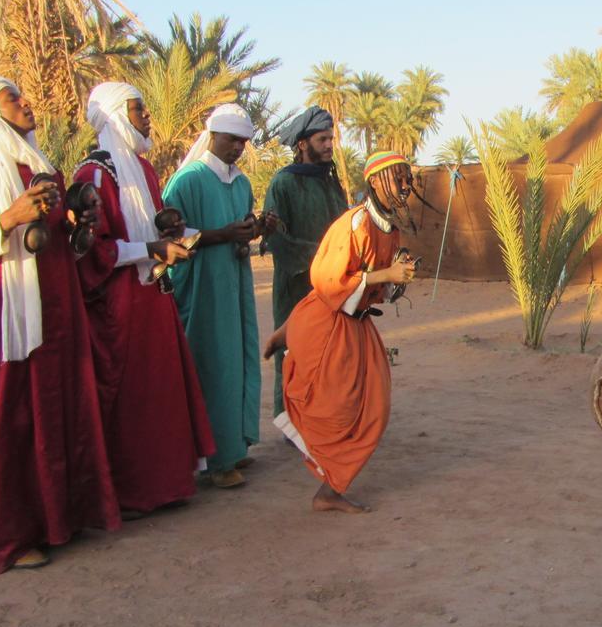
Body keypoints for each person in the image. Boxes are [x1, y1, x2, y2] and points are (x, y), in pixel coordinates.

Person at [0, 77, 120, 573]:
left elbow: (64, 248)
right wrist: (7, 220)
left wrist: (79, 227)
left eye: (23, 93)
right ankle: (8, 535)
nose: (27, 101)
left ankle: (58, 519)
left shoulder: (45, 172)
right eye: (14, 97)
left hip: (57, 319)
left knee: (58, 415)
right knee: (11, 422)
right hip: (7, 326)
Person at [74, 82, 215, 517]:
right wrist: (150, 250)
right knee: (129, 394)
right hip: (119, 304)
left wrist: (167, 228)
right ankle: (130, 492)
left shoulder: (143, 169)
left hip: (153, 295)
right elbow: (91, 250)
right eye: (138, 108)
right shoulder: (94, 175)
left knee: (160, 390)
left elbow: (148, 225)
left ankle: (165, 484)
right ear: (117, 115)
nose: (147, 115)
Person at [264, 151, 419, 513]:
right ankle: (329, 489)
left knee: (374, 408)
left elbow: (376, 288)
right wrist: (386, 275)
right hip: (328, 324)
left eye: (406, 178)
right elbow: (327, 282)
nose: (404, 185)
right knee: (333, 409)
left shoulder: (389, 230)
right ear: (376, 180)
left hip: (355, 324)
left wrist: (398, 281)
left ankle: (330, 488)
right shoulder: (354, 223)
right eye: (398, 178)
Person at [163, 104, 276, 488]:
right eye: (232, 140)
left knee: (240, 360)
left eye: (243, 142)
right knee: (212, 365)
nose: (238, 148)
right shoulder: (187, 180)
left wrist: (251, 233)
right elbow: (172, 237)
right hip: (202, 287)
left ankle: (234, 446)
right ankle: (214, 460)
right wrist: (223, 235)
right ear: (213, 136)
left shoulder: (241, 183)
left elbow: (240, 231)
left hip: (236, 281)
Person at [262, 105, 348, 418]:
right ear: (303, 144)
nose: (329, 145)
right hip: (296, 284)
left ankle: (322, 417)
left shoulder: (330, 181)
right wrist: (320, 261)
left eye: (331, 139)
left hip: (333, 285)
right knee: (294, 348)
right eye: (322, 139)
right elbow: (276, 237)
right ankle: (291, 418)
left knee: (331, 350)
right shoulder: (283, 183)